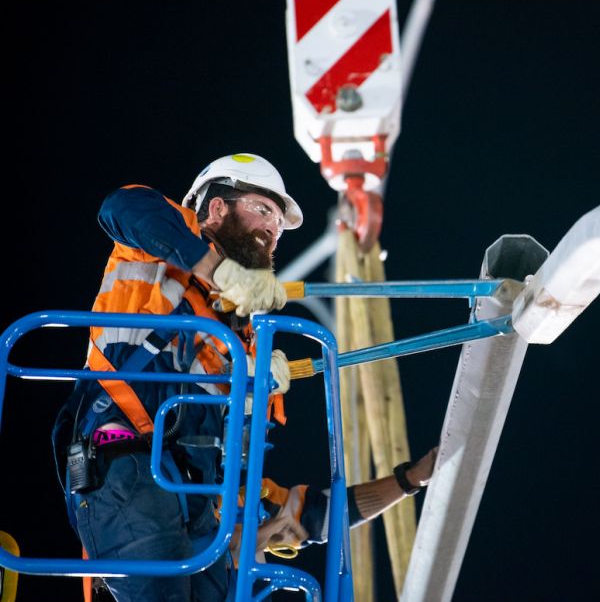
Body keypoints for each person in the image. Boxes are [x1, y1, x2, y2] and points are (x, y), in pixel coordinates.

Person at [50, 153, 437, 602]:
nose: (274, 231)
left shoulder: (245, 342)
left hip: (199, 501)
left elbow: (300, 515)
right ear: (216, 209)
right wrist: (216, 269)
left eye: (278, 226)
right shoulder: (158, 249)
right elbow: (121, 207)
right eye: (263, 210)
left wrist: (410, 480)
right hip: (127, 467)